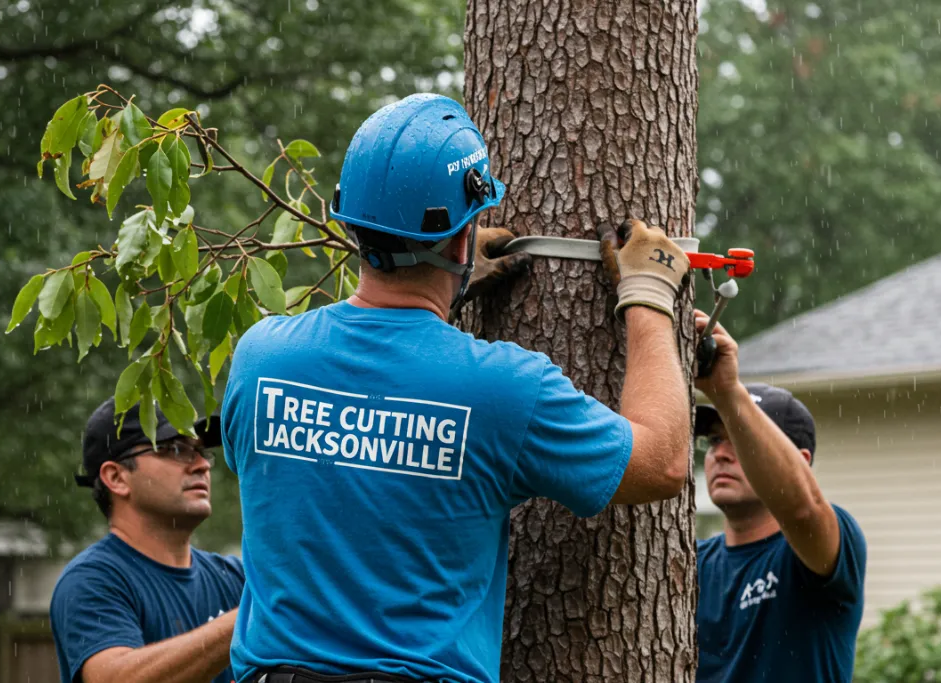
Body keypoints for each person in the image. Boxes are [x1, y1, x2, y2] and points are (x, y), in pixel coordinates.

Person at [221, 93, 692, 683]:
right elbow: (662, 462)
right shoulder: (504, 390)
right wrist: (649, 295)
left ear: (352, 223)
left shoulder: (261, 358)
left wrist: (446, 291)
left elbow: (338, 443)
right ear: (462, 241)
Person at [693, 310, 867, 683]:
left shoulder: (825, 545)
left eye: (739, 440)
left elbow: (803, 510)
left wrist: (726, 393)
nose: (720, 453)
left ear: (801, 461)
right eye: (715, 440)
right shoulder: (689, 563)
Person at [49, 397, 245, 683]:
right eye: (176, 449)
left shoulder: (236, 579)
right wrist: (249, 617)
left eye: (201, 451)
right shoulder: (91, 580)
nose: (202, 465)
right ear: (116, 477)